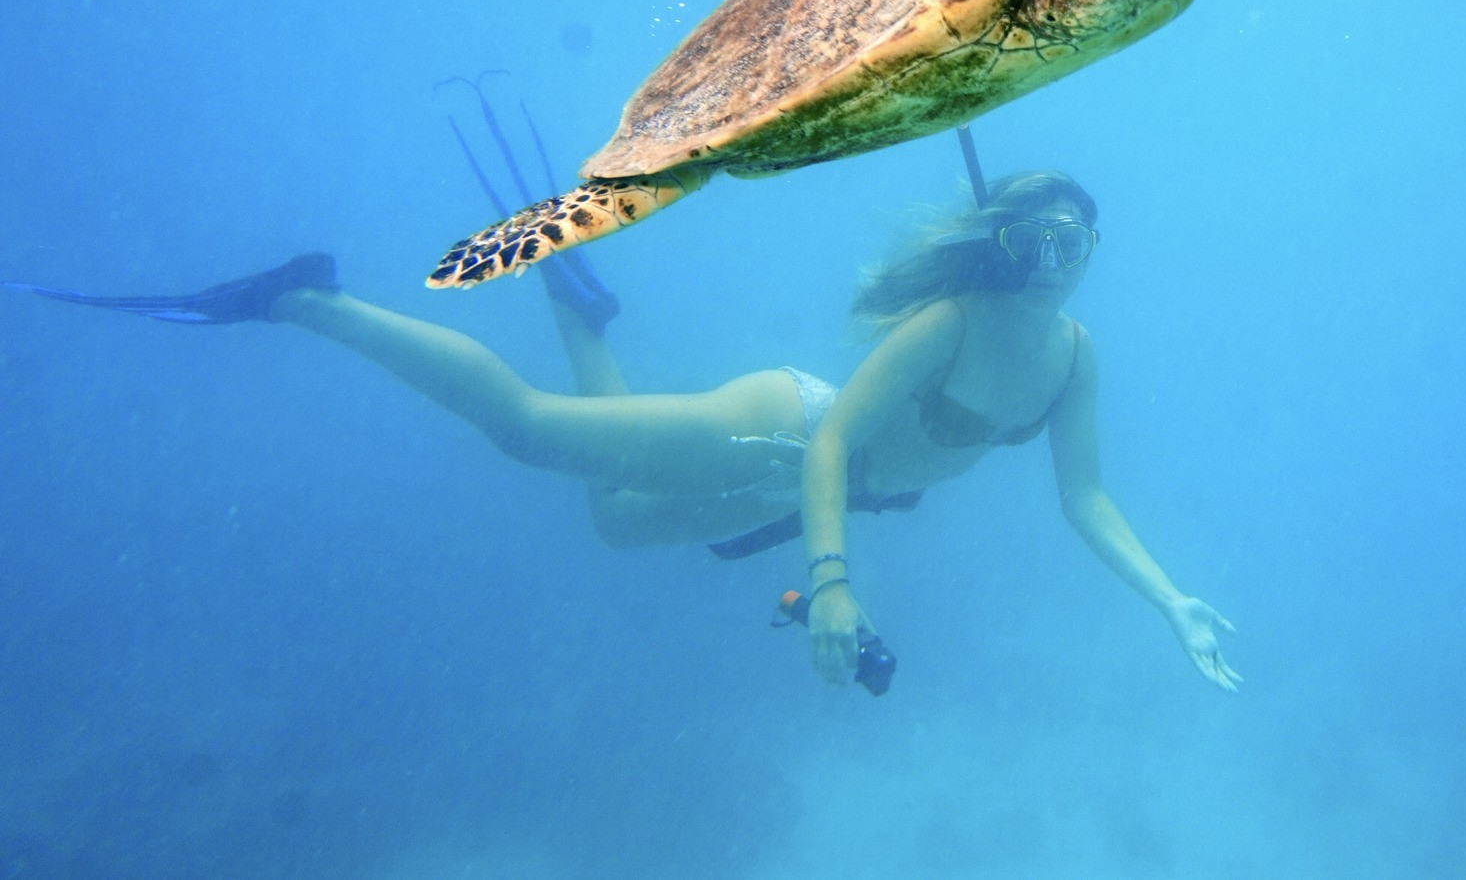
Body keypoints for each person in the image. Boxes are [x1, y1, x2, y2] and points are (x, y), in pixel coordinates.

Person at [5, 171, 1241, 692]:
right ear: (1002, 245)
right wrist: (827, 584)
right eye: (1040, 241)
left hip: (837, 490)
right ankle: (303, 296)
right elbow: (826, 446)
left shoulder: (1074, 356)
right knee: (534, 436)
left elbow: (1085, 499)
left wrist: (1170, 598)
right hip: (789, 435)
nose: (1058, 266)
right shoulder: (952, 316)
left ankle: (580, 299)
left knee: (609, 526)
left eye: (1080, 246)